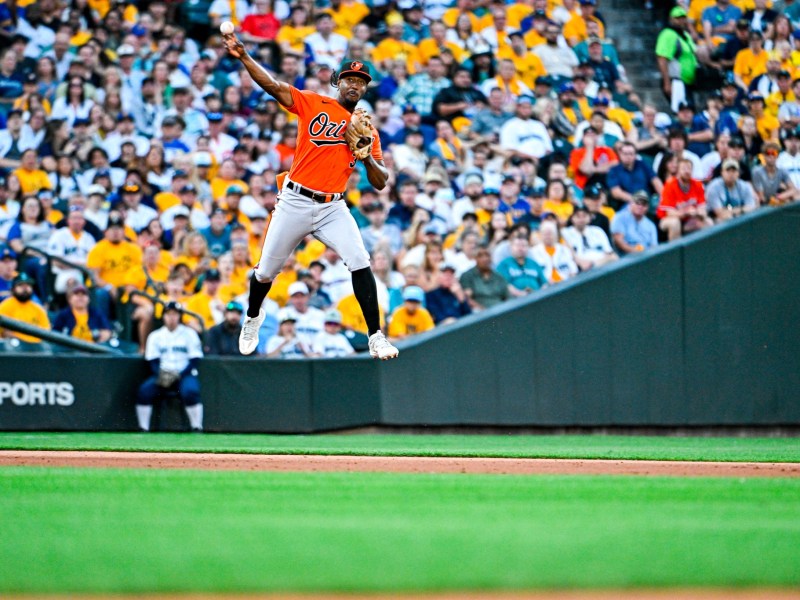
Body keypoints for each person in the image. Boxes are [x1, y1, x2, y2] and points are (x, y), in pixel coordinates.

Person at [221, 32, 399, 361]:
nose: (355, 85)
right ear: (337, 81)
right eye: (349, 78)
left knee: (360, 260)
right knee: (264, 273)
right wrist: (245, 56)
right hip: (295, 200)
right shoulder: (314, 103)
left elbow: (380, 182)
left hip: (333, 206)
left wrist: (366, 156)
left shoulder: (366, 129)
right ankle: (252, 317)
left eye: (361, 81)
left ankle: (375, 335)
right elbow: (274, 86)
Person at [135, 301, 204, 433]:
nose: (172, 317)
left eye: (175, 314)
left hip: (185, 374)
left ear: (179, 316)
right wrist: (162, 375)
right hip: (162, 374)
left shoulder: (189, 334)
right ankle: (143, 428)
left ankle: (197, 426)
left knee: (190, 391)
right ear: (163, 316)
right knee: (144, 391)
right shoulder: (155, 336)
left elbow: (195, 359)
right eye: (168, 314)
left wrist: (179, 375)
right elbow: (153, 361)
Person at [658, 158, 713, 241]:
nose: (687, 171)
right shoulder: (670, 185)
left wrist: (699, 212)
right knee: (674, 223)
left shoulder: (697, 184)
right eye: (683, 168)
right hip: (666, 219)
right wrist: (686, 212)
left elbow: (702, 207)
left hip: (689, 218)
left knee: (708, 222)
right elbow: (669, 213)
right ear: (678, 171)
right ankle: (675, 252)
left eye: (689, 168)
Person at [561, 206, 617, 270]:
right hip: (580, 267)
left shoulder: (597, 231)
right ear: (572, 218)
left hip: (601, 263)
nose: (581, 219)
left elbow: (609, 252)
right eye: (578, 216)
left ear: (589, 217)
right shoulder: (565, 233)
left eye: (584, 216)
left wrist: (594, 264)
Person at [0, 273, 50, 343]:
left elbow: (46, 332)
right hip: (13, 349)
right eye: (21, 285)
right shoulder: (5, 306)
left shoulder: (38, 309)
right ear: (13, 289)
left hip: (36, 349)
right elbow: (4, 333)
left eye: (28, 285)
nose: (25, 289)